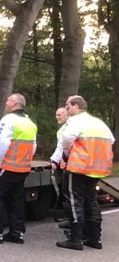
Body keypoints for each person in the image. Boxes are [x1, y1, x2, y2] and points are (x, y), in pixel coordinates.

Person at [0, 93, 38, 244]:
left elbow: (2, 143)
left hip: (7, 167)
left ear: (15, 103)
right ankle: (17, 234)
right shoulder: (30, 123)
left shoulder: (8, 120)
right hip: (22, 168)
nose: (6, 102)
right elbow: (33, 146)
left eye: (8, 100)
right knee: (16, 200)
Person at [56, 95, 115, 251]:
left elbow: (67, 138)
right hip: (96, 168)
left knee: (74, 201)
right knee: (91, 201)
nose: (66, 109)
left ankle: (75, 239)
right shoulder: (98, 122)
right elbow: (112, 140)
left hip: (78, 167)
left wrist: (67, 154)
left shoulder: (76, 121)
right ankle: (95, 239)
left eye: (68, 106)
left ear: (76, 106)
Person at [49, 107, 71, 223]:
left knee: (69, 193)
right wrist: (54, 161)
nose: (57, 117)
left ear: (67, 114)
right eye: (56, 115)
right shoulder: (63, 129)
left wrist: (54, 161)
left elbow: (63, 148)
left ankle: (71, 220)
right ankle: (71, 220)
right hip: (73, 165)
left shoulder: (68, 129)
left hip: (72, 165)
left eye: (60, 115)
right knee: (68, 193)